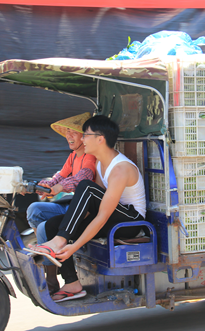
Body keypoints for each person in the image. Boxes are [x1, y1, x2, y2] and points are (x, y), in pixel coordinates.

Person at [26, 115, 146, 302]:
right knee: (52, 225)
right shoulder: (100, 163)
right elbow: (93, 206)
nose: (82, 139)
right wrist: (69, 228)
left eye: (86, 135)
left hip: (130, 221)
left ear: (100, 139)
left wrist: (74, 245)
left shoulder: (120, 169)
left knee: (85, 186)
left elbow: (102, 216)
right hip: (113, 217)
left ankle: (59, 241)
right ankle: (72, 283)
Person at [26, 112, 97, 294]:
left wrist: (60, 187)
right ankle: (50, 256)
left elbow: (83, 178)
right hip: (72, 202)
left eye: (73, 131)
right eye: (67, 132)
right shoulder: (73, 156)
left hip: (86, 208)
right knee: (34, 210)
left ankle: (50, 274)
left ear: (86, 136)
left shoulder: (90, 156)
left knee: (42, 228)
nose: (68, 136)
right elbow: (58, 176)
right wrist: (40, 186)